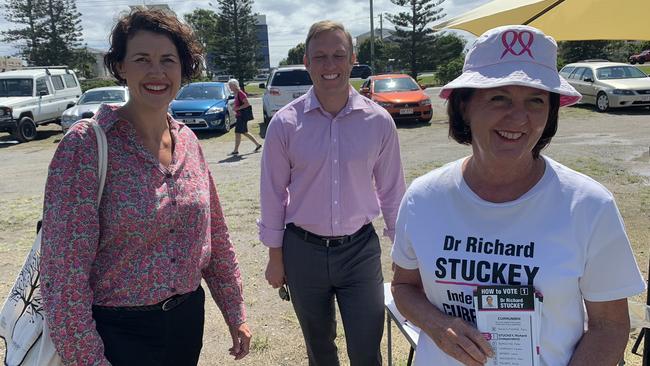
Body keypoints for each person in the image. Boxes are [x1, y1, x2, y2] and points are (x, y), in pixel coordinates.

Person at [391, 25, 646, 366]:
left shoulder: (588, 205)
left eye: (536, 101)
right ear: (465, 106)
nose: (519, 117)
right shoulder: (424, 197)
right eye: (499, 97)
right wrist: (438, 326)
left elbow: (609, 326)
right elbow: (403, 287)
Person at [40, 9, 251, 365]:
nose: (157, 72)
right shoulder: (86, 146)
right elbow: (62, 278)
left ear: (184, 68)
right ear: (121, 66)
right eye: (142, 59)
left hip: (186, 323)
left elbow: (216, 238)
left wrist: (236, 312)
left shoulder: (188, 142)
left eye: (168, 60)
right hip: (116, 335)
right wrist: (89, 359)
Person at [259, 20, 406, 366]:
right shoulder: (284, 124)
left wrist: (403, 255)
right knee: (320, 350)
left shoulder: (379, 122)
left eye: (338, 55)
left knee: (367, 349)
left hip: (359, 252)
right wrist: (275, 257)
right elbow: (272, 194)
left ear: (352, 59)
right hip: (303, 251)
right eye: (320, 57)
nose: (330, 66)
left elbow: (392, 192)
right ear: (306, 62)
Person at [227, 78, 262, 155]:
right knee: (244, 132)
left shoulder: (240, 93)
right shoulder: (236, 94)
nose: (229, 88)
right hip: (240, 116)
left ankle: (236, 151)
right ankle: (258, 145)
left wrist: (237, 108)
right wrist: (236, 109)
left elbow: (247, 104)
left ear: (235, 85)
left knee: (238, 132)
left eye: (230, 86)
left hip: (242, 116)